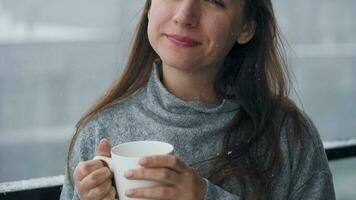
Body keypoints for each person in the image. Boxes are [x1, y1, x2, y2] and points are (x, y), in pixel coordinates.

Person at [60, 0, 336, 199]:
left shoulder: (289, 135)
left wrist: (205, 196)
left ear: (246, 28)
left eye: (213, 1)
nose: (185, 14)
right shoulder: (97, 134)